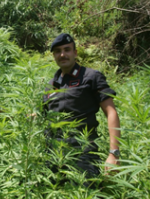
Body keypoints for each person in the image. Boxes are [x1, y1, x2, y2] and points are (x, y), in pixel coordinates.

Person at [43, 33, 121, 185]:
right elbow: (42, 118)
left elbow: (111, 112)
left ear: (75, 53)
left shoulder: (91, 77)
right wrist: (8, 115)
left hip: (82, 154)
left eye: (67, 49)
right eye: (58, 51)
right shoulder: (50, 85)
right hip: (53, 155)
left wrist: (114, 153)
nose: (62, 54)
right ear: (54, 56)